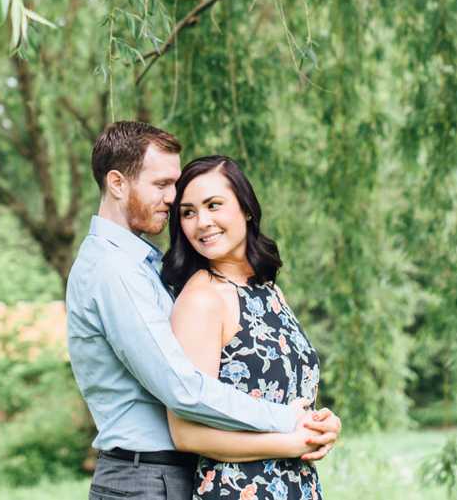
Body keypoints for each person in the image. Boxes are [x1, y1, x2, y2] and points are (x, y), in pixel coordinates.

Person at [67, 122, 341, 500]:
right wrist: (291, 422)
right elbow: (183, 390)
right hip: (145, 479)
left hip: (165, 474)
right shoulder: (114, 271)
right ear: (117, 183)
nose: (171, 197)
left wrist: (314, 423)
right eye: (162, 185)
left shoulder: (140, 264)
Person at [160, 155, 328, 500]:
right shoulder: (202, 299)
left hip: (298, 488)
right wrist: (289, 443)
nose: (202, 222)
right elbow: (186, 433)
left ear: (246, 209)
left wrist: (320, 427)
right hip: (236, 489)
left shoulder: (269, 291)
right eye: (188, 212)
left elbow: (290, 399)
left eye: (213, 205)